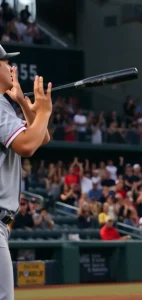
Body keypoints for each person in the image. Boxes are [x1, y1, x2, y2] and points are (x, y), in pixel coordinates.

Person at [0, 44, 52, 300]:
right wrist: (43, 111)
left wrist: (22, 102)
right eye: (4, 62)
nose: (11, 67)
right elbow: (28, 145)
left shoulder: (4, 105)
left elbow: (41, 136)